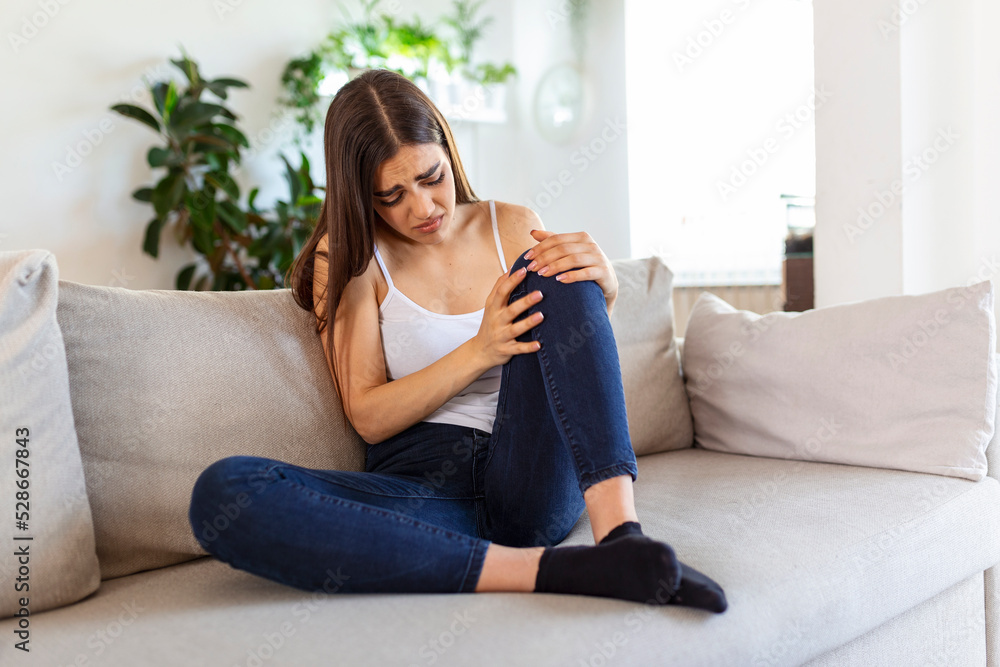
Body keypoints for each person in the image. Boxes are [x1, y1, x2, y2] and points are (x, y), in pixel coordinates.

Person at [188, 68, 726, 613]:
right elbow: (369, 415)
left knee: (557, 270)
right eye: (391, 195)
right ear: (360, 196)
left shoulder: (513, 225)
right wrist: (479, 350)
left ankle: (620, 542)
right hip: (425, 491)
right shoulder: (348, 259)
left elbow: (565, 361)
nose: (422, 208)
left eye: (431, 177)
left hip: (530, 473)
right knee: (225, 492)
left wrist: (601, 293)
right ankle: (550, 570)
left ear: (448, 149)